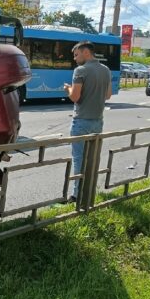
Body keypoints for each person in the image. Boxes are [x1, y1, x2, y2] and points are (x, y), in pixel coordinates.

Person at [62, 41, 112, 201]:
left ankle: (77, 196)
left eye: (76, 55)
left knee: (79, 159)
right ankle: (90, 192)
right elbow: (108, 95)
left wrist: (68, 89)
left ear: (85, 52)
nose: (75, 59)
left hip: (81, 121)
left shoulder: (80, 71)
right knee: (93, 159)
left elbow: (75, 97)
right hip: (98, 121)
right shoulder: (106, 70)